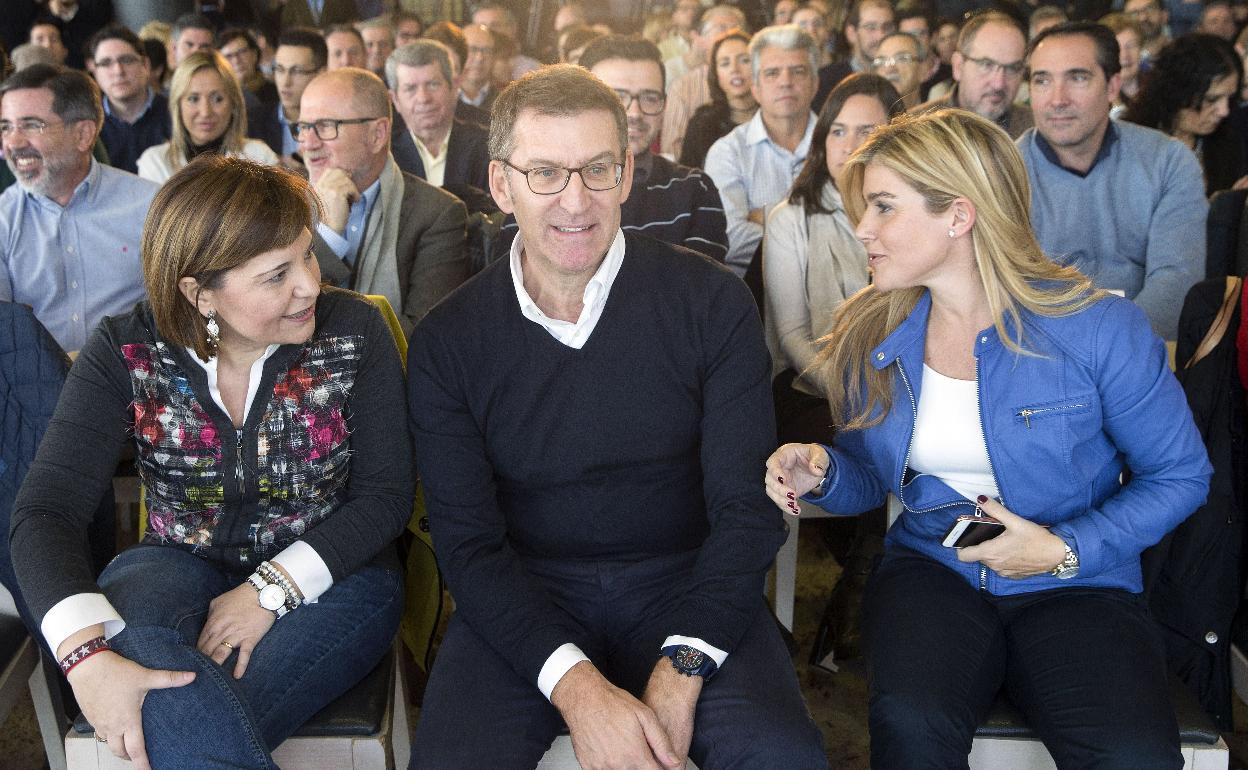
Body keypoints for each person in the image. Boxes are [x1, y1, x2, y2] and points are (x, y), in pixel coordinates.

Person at [408, 62, 826, 770]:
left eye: (597, 169)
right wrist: (579, 690)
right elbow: (469, 545)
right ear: (501, 182)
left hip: (687, 580)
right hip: (525, 592)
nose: (575, 201)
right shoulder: (450, 339)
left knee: (783, 757)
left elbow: (745, 511)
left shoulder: (712, 303)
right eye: (545, 172)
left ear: (628, 174)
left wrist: (684, 667)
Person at [764, 107, 1211, 769]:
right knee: (910, 729)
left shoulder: (1099, 329)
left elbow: (1181, 475)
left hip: (1079, 584)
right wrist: (821, 468)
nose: (863, 229)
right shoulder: (873, 330)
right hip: (934, 570)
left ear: (959, 215)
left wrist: (1063, 549)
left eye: (884, 207)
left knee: (1132, 754)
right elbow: (869, 472)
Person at [10, 154, 409, 770]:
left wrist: (270, 589)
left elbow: (384, 498)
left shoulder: (352, 331)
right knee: (134, 660)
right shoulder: (126, 349)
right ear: (199, 293)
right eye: (277, 275)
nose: (310, 282)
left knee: (165, 707)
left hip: (335, 574)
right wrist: (83, 660)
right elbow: (45, 511)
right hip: (173, 560)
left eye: (307, 253)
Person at [1022, 22, 1207, 341]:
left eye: (1077, 78)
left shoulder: (1168, 162)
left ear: (1112, 86)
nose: (1057, 99)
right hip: (1038, 358)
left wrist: (1112, 351)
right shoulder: (1002, 172)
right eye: (1042, 81)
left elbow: (1176, 284)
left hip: (1144, 352)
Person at [496, 35, 728, 262]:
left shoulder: (694, 189)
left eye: (649, 97)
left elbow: (700, 291)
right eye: (616, 98)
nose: (635, 113)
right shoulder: (532, 188)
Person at [764, 73, 903, 441]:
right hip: (816, 386)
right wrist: (851, 393)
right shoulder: (790, 219)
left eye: (867, 131)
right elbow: (793, 337)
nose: (849, 146)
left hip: (905, 384)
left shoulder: (915, 215)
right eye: (838, 131)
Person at [297, 67, 469, 334]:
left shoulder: (436, 214)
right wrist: (327, 234)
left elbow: (424, 337)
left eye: (325, 126)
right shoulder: (282, 202)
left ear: (377, 134)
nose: (308, 143)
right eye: (304, 127)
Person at [0, 63, 155, 353]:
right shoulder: (4, 219)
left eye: (32, 125)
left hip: (135, 384)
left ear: (83, 134)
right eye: (6, 127)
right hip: (36, 390)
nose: (13, 142)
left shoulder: (149, 206)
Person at [705, 24, 818, 276]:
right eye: (772, 73)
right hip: (756, 299)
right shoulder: (727, 152)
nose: (785, 82)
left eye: (798, 71)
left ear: (815, 82)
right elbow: (731, 237)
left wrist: (764, 216)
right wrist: (819, 240)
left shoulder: (840, 144)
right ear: (755, 87)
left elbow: (854, 225)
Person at [1125, 33, 1247, 194]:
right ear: (1179, 92)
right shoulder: (1131, 146)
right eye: (1211, 99)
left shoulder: (1231, 138)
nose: (1224, 111)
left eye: (1229, 98)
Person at [137, 51, 279, 184]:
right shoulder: (155, 162)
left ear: (234, 103)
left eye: (217, 99)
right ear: (177, 105)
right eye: (193, 99)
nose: (205, 112)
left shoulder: (260, 158)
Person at [386, 39, 492, 194]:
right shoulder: (385, 156)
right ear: (395, 99)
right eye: (410, 89)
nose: (423, 98)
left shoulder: (488, 146)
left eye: (433, 84)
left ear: (454, 87)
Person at [914, 10, 1034, 139]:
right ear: (958, 66)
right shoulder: (915, 131)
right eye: (986, 65)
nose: (999, 83)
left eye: (1012, 68)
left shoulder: (1036, 128)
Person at [659, 4, 748, 160]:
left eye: (736, 29)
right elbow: (672, 147)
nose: (729, 35)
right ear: (700, 39)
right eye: (721, 28)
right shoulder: (683, 86)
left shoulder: (760, 81)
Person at [90, 24, 170, 175]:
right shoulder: (89, 125)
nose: (118, 71)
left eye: (126, 60)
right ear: (95, 72)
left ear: (145, 65)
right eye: (106, 63)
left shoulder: (174, 112)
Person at [251, 27, 326, 169]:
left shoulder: (338, 125)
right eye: (280, 70)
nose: (285, 82)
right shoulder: (253, 123)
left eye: (296, 71)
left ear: (321, 73)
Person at [680, 30, 756, 170]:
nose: (735, 69)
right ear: (716, 74)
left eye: (744, 60)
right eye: (725, 63)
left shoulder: (774, 117)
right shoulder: (702, 123)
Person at [218, 27, 278, 109]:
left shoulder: (276, 92)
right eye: (228, 56)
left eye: (241, 52)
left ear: (254, 54)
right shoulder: (218, 96)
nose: (236, 60)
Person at [1100, 12, 1144, 116]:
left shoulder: (1156, 86)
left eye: (1131, 46)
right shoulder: (1096, 97)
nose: (1124, 55)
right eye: (1117, 48)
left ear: (1141, 49)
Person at [871, 31, 926, 109]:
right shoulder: (868, 118)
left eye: (901, 58)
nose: (890, 69)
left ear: (922, 69)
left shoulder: (939, 114)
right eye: (881, 61)